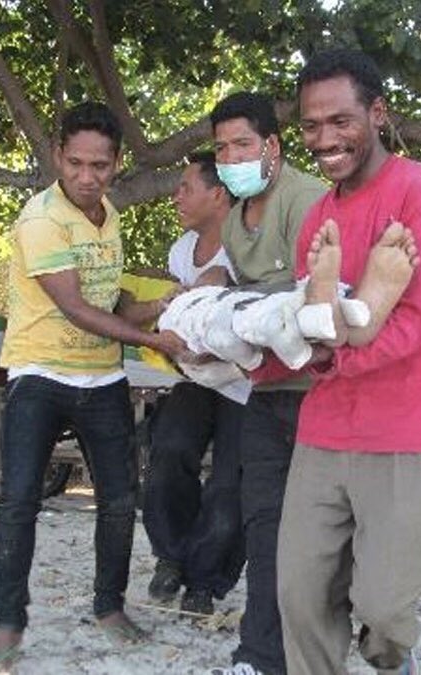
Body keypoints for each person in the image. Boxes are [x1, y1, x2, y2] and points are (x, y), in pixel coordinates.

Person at [258, 49, 421, 675]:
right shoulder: (320, 217)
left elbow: (413, 324)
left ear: (377, 113)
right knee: (300, 596)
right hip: (326, 430)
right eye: (309, 126)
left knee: (383, 609)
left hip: (412, 431)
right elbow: (304, 323)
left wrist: (322, 357)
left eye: (341, 121)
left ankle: (391, 662)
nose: (324, 139)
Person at [0, 101, 189, 671]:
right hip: (39, 374)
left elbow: (109, 299)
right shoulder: (41, 220)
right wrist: (154, 343)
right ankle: (8, 622)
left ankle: (109, 607)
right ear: (57, 157)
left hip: (103, 379)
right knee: (19, 500)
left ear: (116, 162)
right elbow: (74, 308)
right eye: (76, 164)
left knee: (120, 501)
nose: (87, 177)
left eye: (99, 166)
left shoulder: (109, 214)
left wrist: (158, 308)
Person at [204, 91, 327, 675]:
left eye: (243, 144)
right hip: (265, 392)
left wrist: (236, 308)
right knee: (263, 524)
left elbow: (319, 295)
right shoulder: (232, 218)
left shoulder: (307, 200)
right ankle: (258, 656)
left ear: (272, 146)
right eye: (222, 147)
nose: (231, 156)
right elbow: (240, 304)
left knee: (318, 537)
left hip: (320, 397)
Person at [142, 152, 244, 616]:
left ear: (217, 193)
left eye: (186, 187)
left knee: (230, 486)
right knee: (168, 450)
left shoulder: (251, 243)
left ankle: (206, 581)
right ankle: (171, 557)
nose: (176, 195)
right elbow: (180, 313)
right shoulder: (181, 250)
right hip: (196, 376)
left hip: (245, 382)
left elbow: (227, 288)